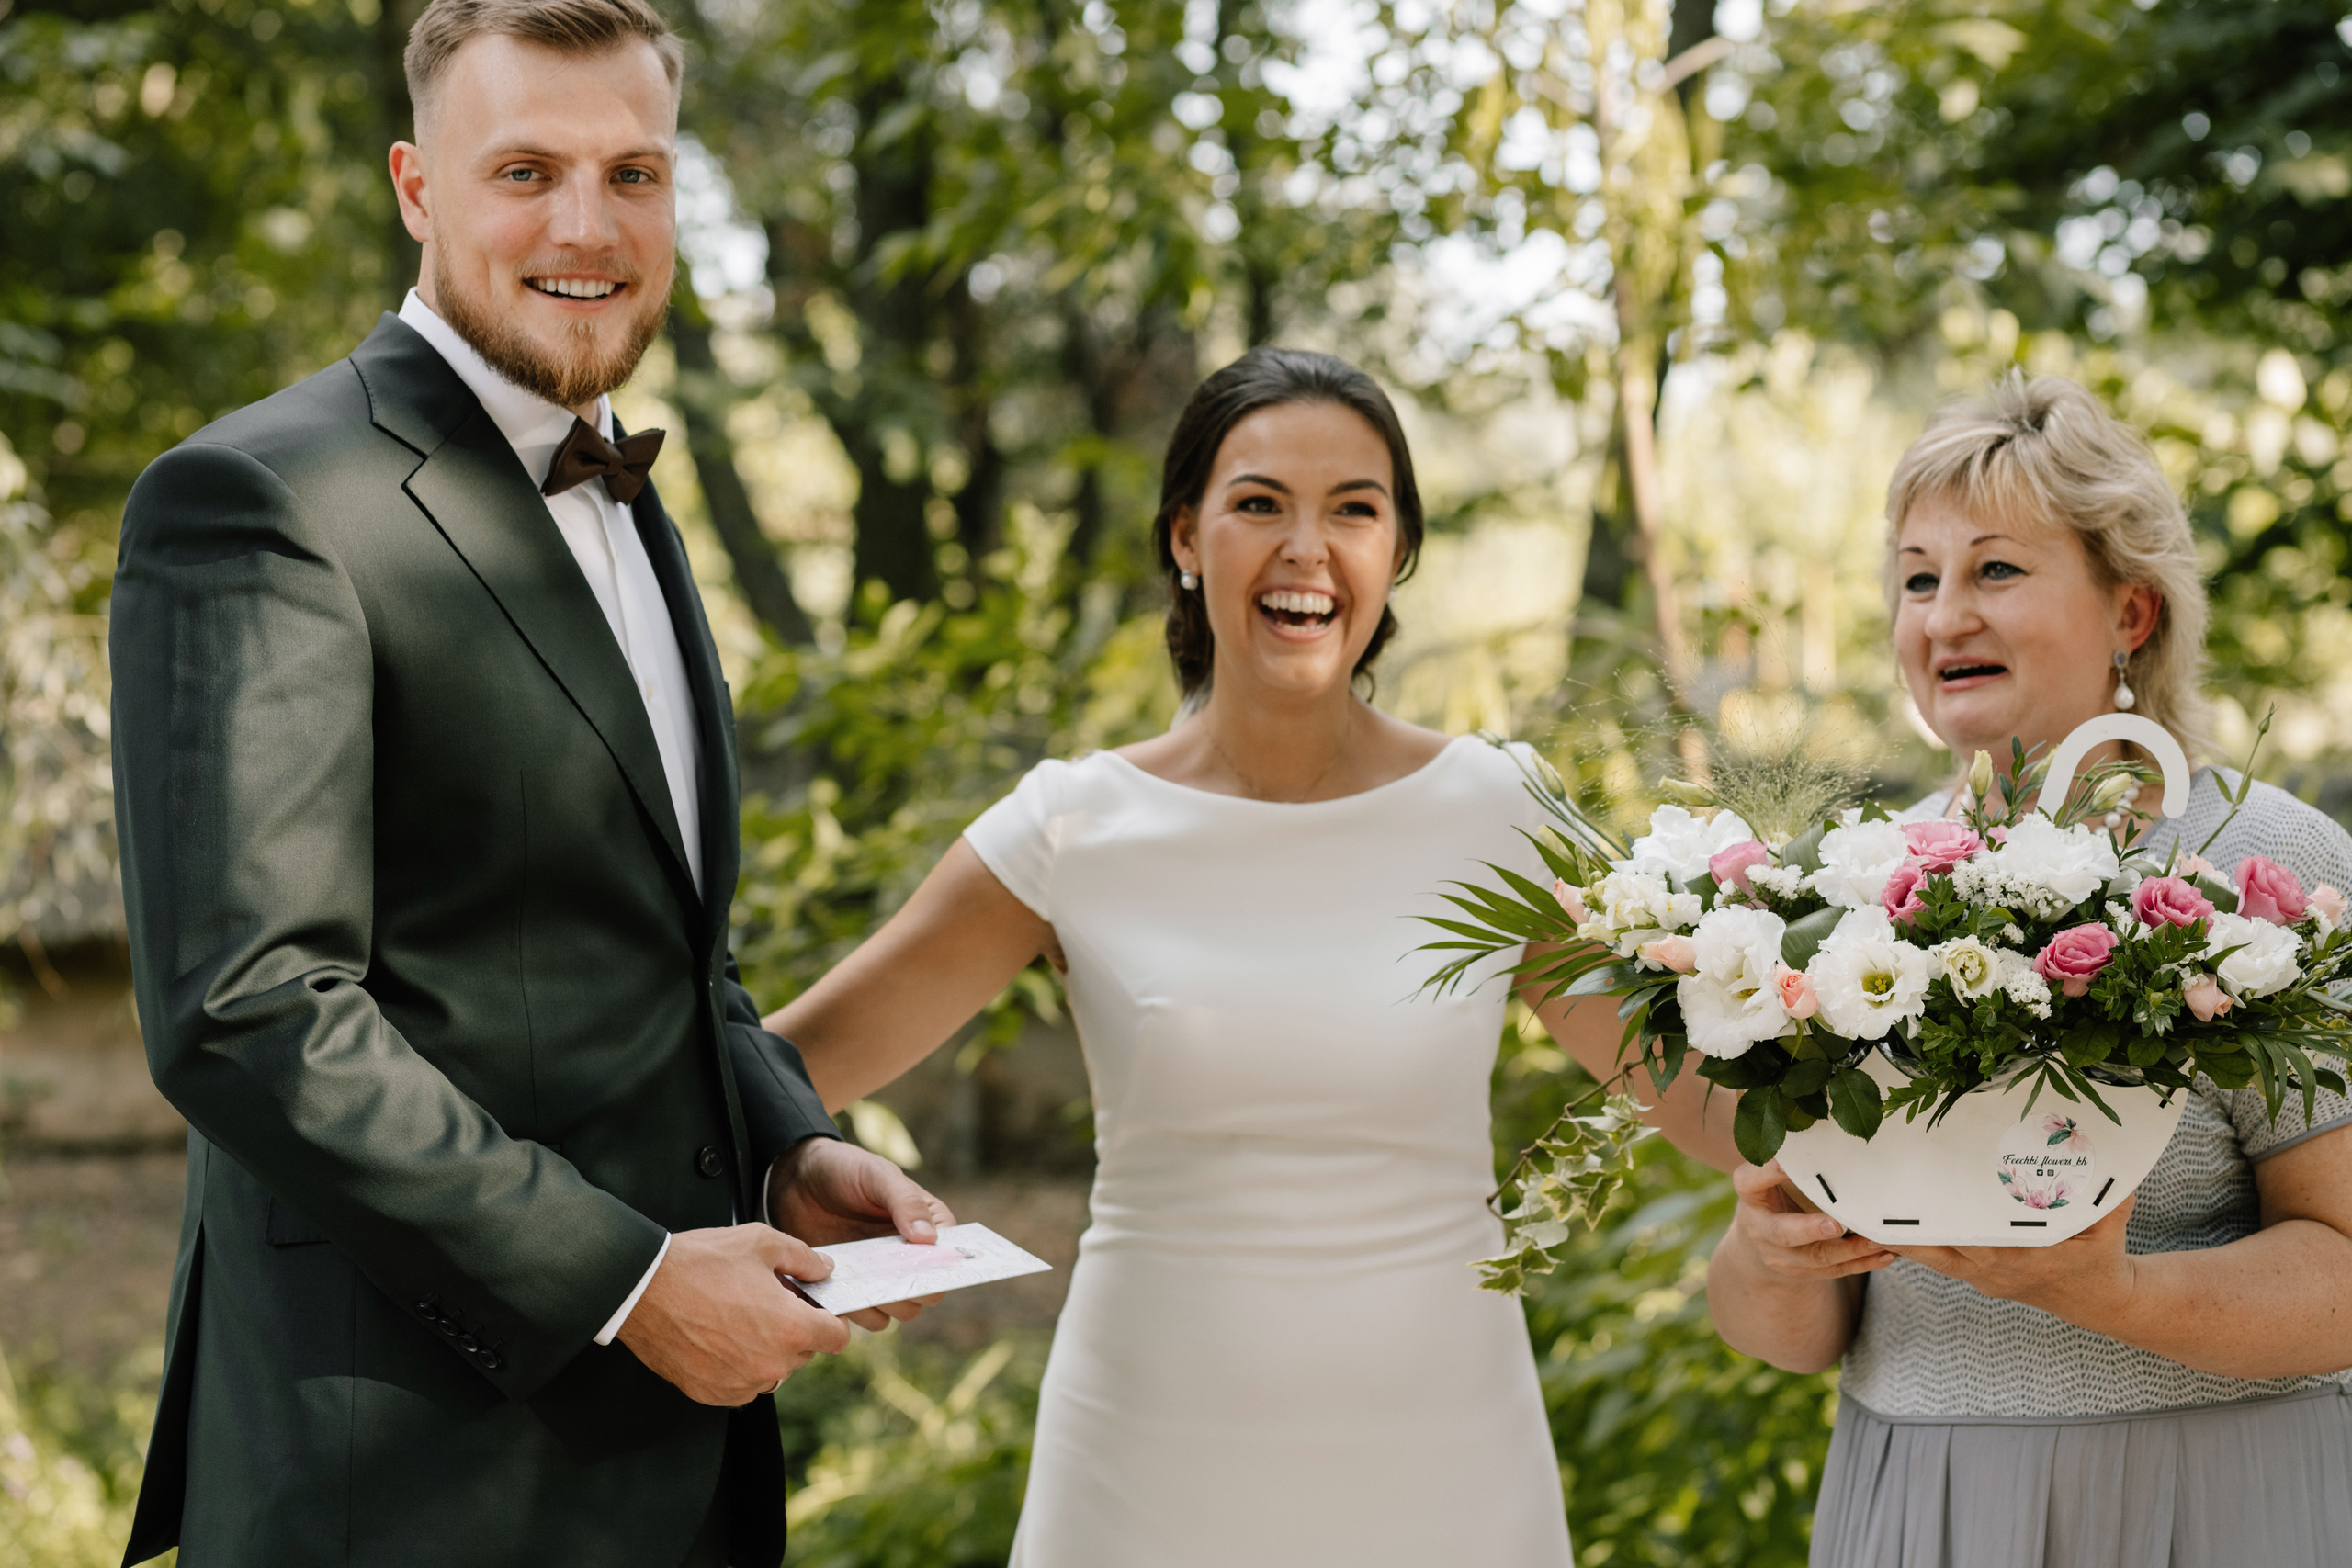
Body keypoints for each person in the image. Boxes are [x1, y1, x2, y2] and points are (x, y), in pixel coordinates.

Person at [107, 4, 949, 1564]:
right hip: (407, 1467)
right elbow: (248, 1008)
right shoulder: (260, 499)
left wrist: (784, 1139)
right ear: (417, 188)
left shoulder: (638, 507)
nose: (588, 226)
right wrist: (624, 1281)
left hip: (676, 1469)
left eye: (635, 173)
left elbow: (653, 936)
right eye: (526, 171)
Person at [762, 346, 1735, 1565]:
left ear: (1397, 553)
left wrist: (1960, 1045)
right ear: (1186, 537)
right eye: (1260, 504)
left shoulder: (1497, 811)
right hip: (1142, 1468)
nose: (1306, 550)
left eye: (1354, 511)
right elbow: (782, 1068)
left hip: (1443, 1466)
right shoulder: (1074, 826)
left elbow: (1703, 1098)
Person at [1705, 375, 2352, 1568]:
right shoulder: (1845, 886)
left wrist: (2106, 1295)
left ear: (2132, 614)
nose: (1945, 614)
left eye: (1995, 570)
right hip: (1920, 1503)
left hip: (2220, 1501)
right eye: (1916, 577)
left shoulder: (2273, 867)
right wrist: (1769, 1255)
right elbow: (1785, 1335)